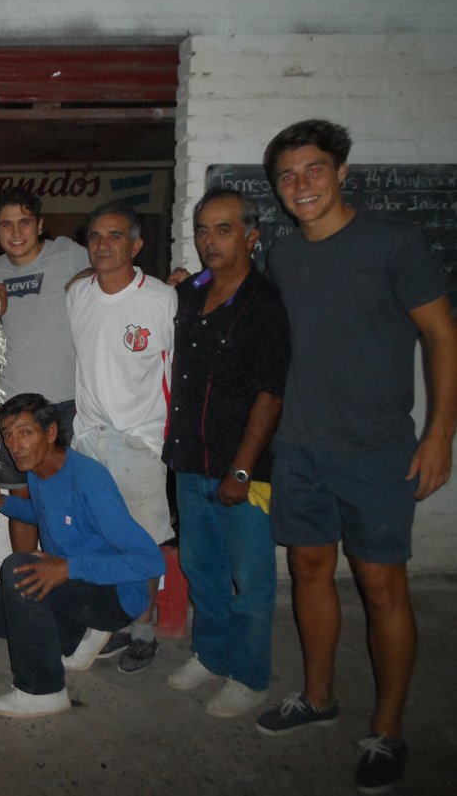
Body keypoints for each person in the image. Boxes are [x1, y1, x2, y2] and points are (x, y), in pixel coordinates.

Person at [255, 119, 457, 794]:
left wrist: (439, 433)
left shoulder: (393, 243)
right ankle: (318, 697)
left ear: (342, 172)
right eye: (287, 176)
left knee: (382, 588)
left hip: (377, 450)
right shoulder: (284, 254)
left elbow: (441, 334)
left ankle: (389, 727)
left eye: (312, 170)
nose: (299, 185)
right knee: (309, 571)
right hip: (302, 447)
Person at [0, 394, 165, 718]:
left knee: (18, 568)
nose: (15, 444)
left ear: (51, 432)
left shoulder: (88, 480)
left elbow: (151, 560)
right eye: (8, 434)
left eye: (25, 432)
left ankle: (44, 690)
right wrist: (3, 503)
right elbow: (45, 513)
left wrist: (69, 567)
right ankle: (75, 633)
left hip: (114, 596)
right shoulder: (38, 473)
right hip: (73, 584)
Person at [164, 189, 290, 718]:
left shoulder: (265, 303)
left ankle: (249, 675)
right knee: (201, 566)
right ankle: (211, 655)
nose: (209, 241)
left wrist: (241, 467)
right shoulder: (195, 290)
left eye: (223, 230)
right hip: (191, 459)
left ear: (251, 235)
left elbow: (270, 392)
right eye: (202, 230)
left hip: (244, 468)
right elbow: (161, 287)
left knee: (252, 577)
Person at [66, 201, 176, 672]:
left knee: (144, 540)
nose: (103, 245)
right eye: (95, 236)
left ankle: (144, 628)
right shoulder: (77, 295)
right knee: (98, 538)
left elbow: (178, 373)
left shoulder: (160, 299)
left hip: (139, 443)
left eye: (115, 236)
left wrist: (157, 442)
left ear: (136, 244)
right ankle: (113, 618)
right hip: (88, 439)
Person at [0, 186, 90, 498]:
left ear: (40, 225)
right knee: (23, 496)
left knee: (70, 495)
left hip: (66, 401)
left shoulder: (68, 253)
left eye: (25, 222)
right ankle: (26, 552)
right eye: (6, 224)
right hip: (14, 403)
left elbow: (110, 270)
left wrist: (87, 274)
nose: (16, 232)